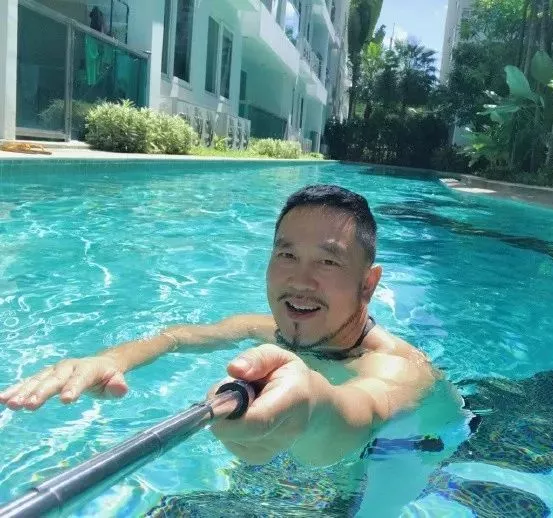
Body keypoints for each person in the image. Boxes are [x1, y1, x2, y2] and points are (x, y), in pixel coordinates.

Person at [0, 185, 469, 478]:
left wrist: (308, 403)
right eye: (287, 255)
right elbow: (177, 337)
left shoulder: (398, 367)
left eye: (328, 262)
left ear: (368, 284)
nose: (300, 280)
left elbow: (360, 412)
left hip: (400, 463)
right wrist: (111, 359)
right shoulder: (264, 329)